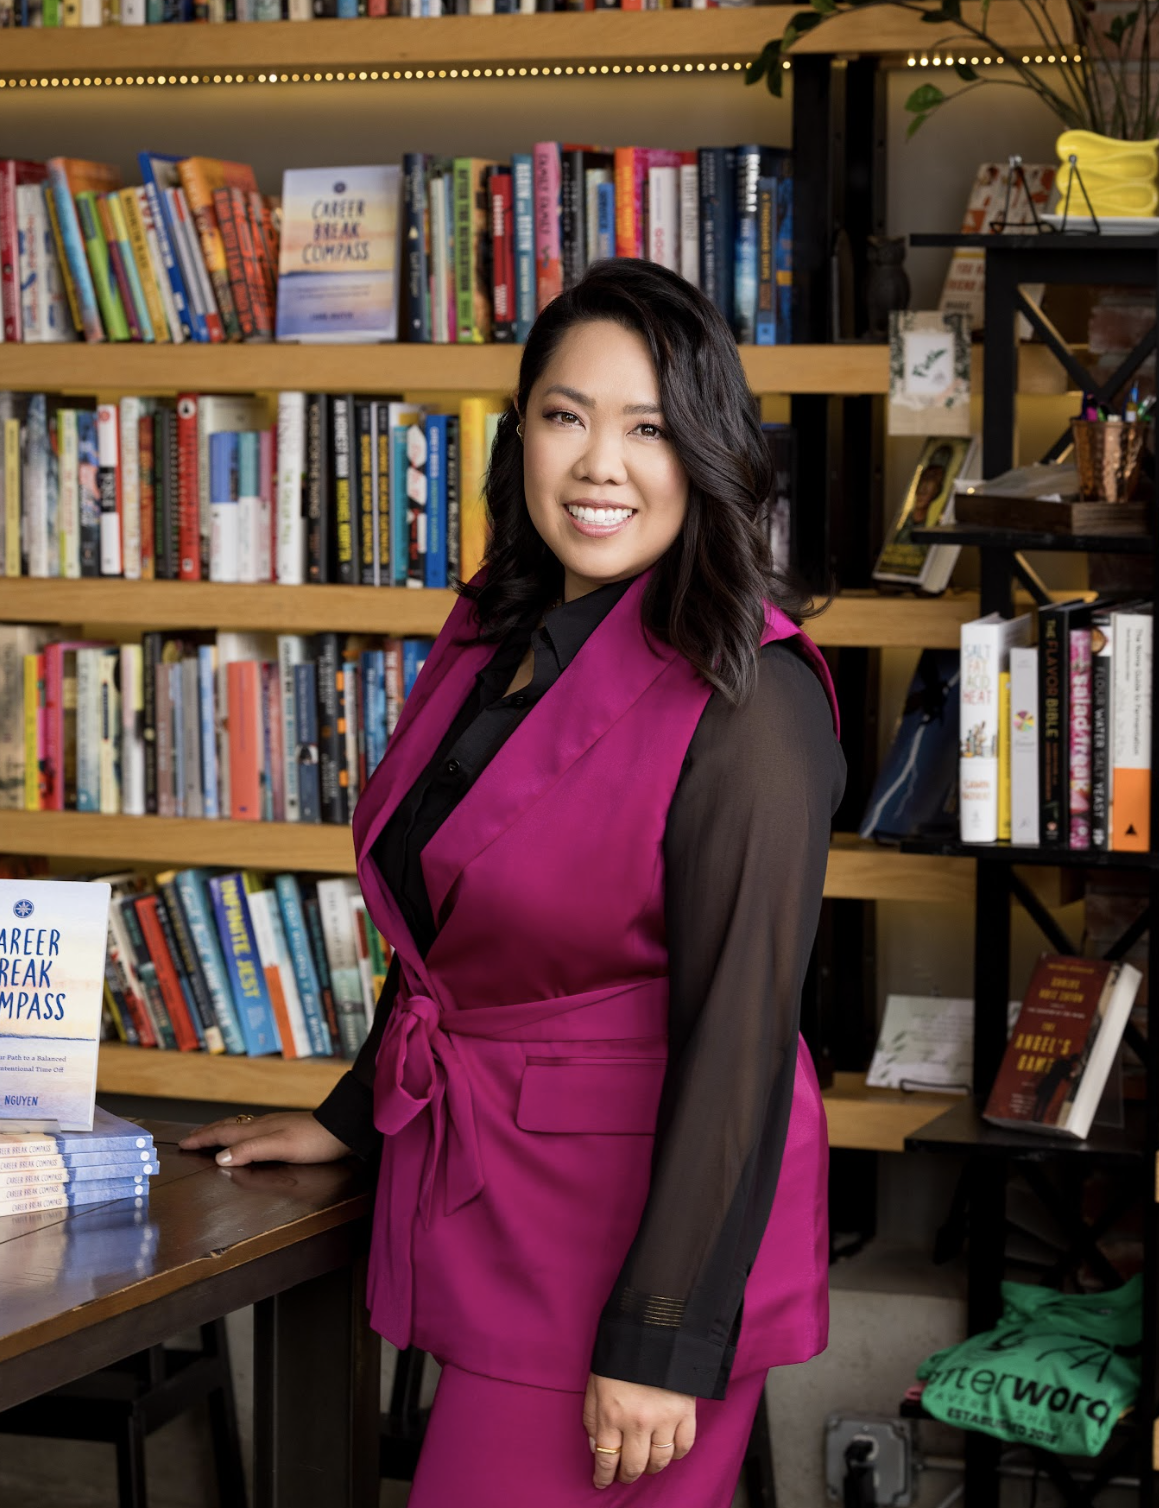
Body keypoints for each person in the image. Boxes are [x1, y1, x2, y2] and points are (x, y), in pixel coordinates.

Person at [181, 259, 847, 1506]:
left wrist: (661, 1335)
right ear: (520, 430)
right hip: (491, 1194)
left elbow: (741, 1042)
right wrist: (348, 1113)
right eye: (565, 414)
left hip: (636, 1246)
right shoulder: (498, 628)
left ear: (704, 446)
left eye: (647, 426)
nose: (600, 463)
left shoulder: (753, 697)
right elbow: (453, 929)